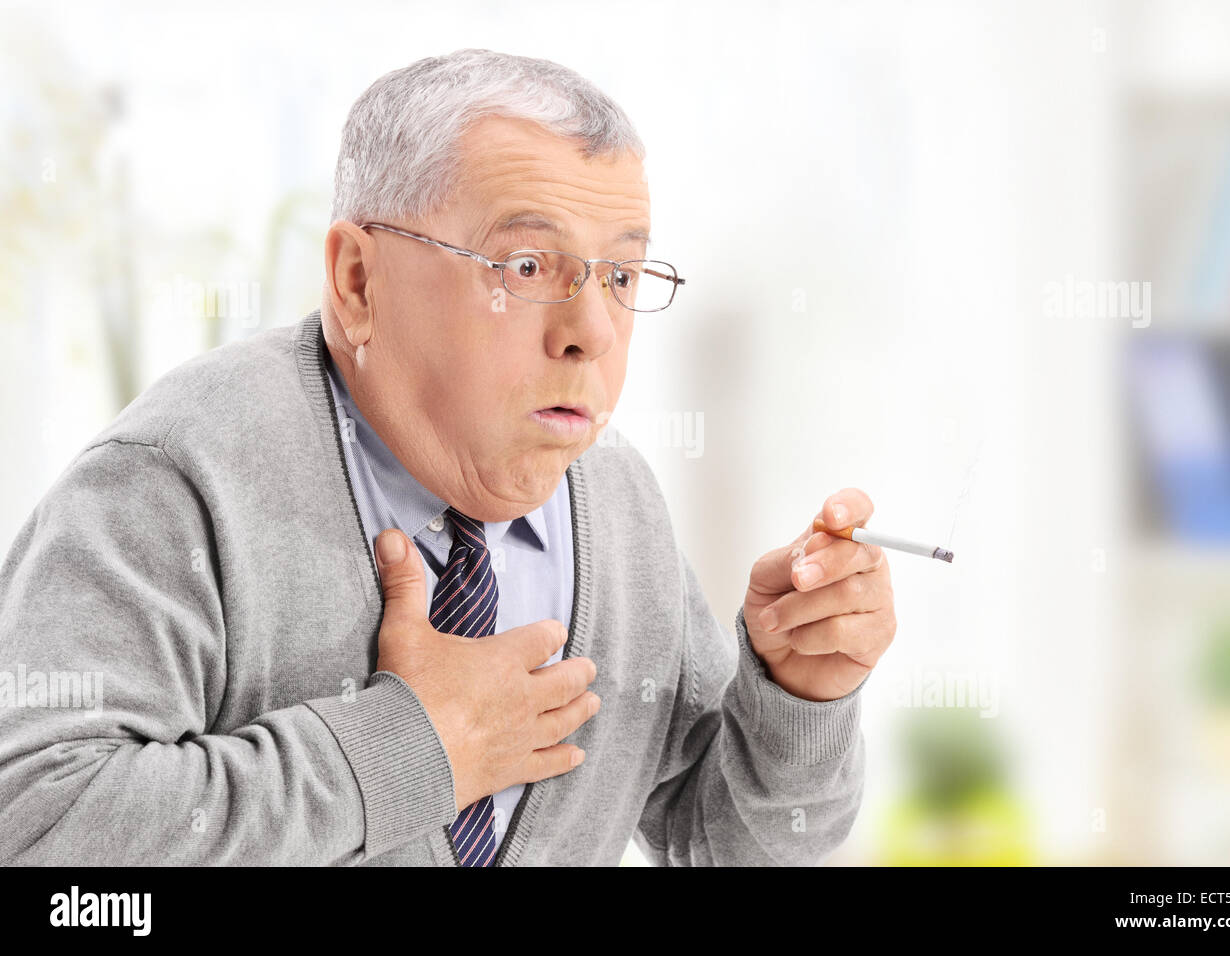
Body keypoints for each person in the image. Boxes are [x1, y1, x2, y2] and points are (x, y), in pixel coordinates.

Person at [0, 48, 895, 866]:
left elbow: (721, 843)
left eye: (621, 277)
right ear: (358, 281)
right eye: (527, 267)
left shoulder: (617, 499)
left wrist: (796, 700)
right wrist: (405, 749)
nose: (591, 333)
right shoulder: (175, 481)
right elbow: (38, 833)